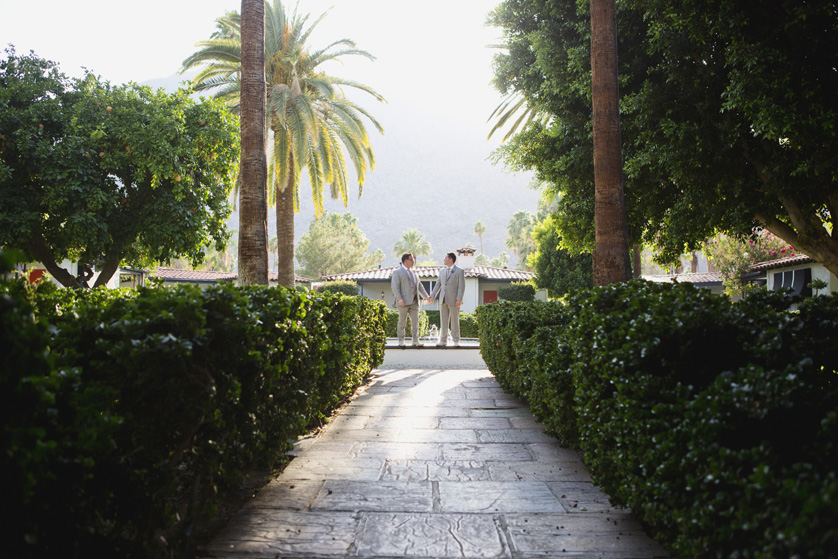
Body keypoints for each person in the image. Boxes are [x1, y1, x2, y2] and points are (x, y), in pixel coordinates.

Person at [391, 252, 430, 347]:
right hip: (403, 301)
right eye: (412, 259)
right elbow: (395, 286)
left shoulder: (414, 273)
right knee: (402, 322)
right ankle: (401, 340)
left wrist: (426, 296)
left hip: (415, 301)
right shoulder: (397, 272)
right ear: (405, 261)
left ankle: (415, 340)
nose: (414, 261)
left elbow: (419, 286)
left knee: (415, 322)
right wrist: (399, 298)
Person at [429, 251, 465, 346]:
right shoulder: (442, 272)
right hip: (443, 299)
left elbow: (461, 286)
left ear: (451, 259)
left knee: (455, 321)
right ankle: (443, 340)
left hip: (454, 300)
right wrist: (432, 296)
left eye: (445, 258)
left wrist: (459, 299)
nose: (444, 259)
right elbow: (438, 285)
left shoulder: (459, 271)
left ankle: (456, 340)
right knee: (443, 321)